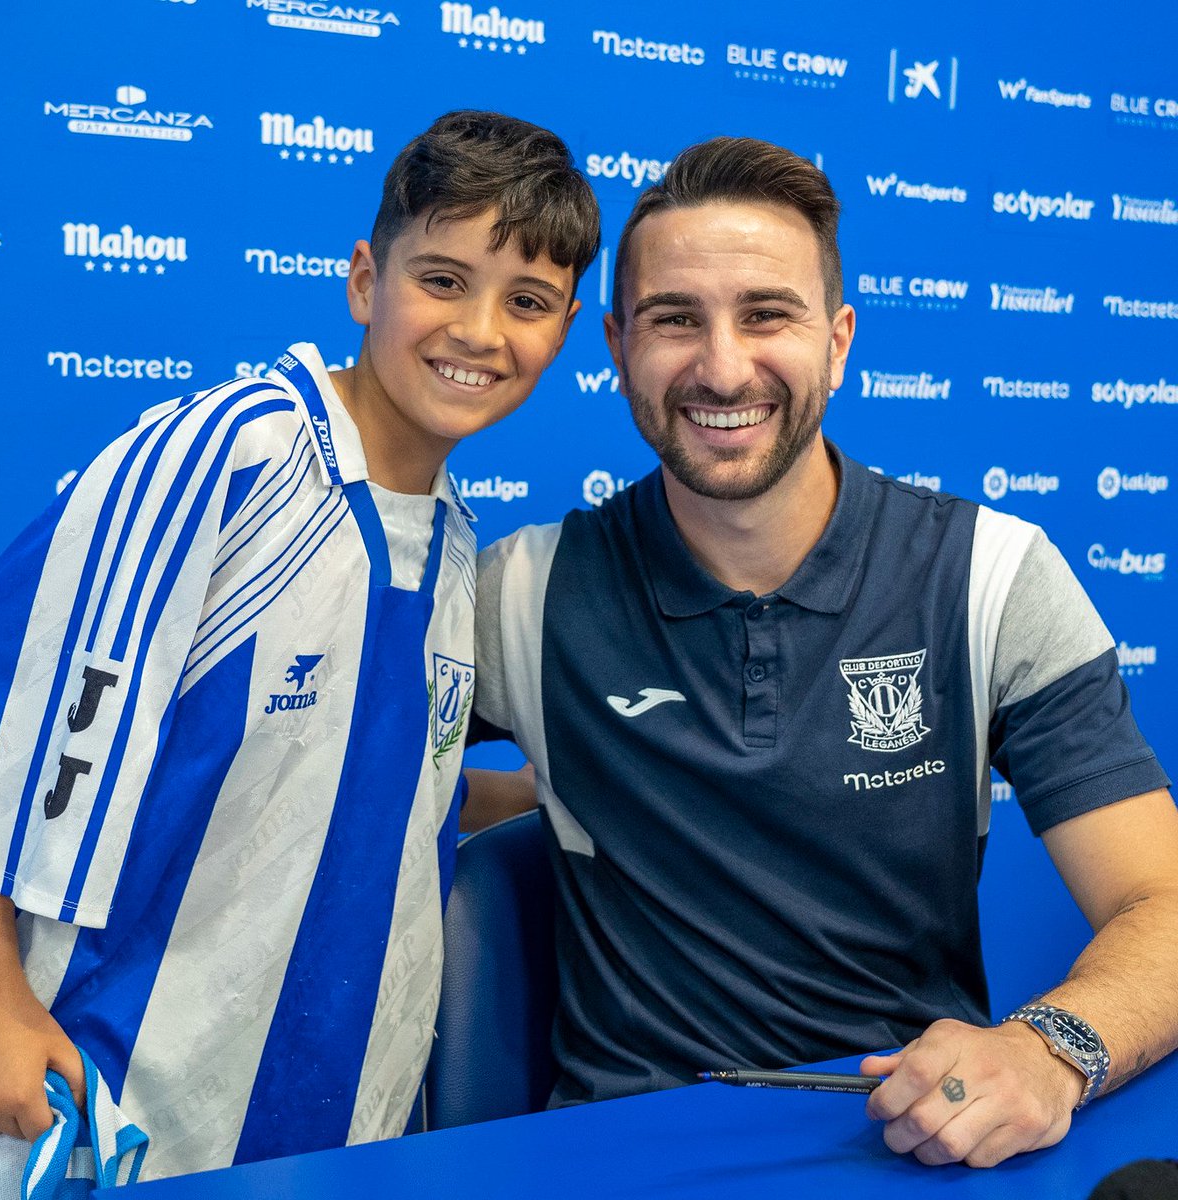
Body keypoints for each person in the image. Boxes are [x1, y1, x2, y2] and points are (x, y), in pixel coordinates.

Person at [470, 136, 1178, 1169]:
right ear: (618, 347)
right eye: (676, 319)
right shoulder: (520, 593)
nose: (722, 366)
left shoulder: (991, 576)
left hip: (916, 1145)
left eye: (768, 314)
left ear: (838, 341)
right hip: (620, 1155)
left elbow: (1159, 904)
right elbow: (332, 791)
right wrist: (555, 789)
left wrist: (1051, 1048)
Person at [0, 109, 598, 1180]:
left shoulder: (454, 544)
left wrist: (569, 787)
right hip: (108, 1116)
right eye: (443, 280)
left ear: (564, 330)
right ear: (366, 281)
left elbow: (380, 778)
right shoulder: (225, 458)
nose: (481, 331)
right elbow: (8, 738)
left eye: (528, 302)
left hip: (332, 1128)